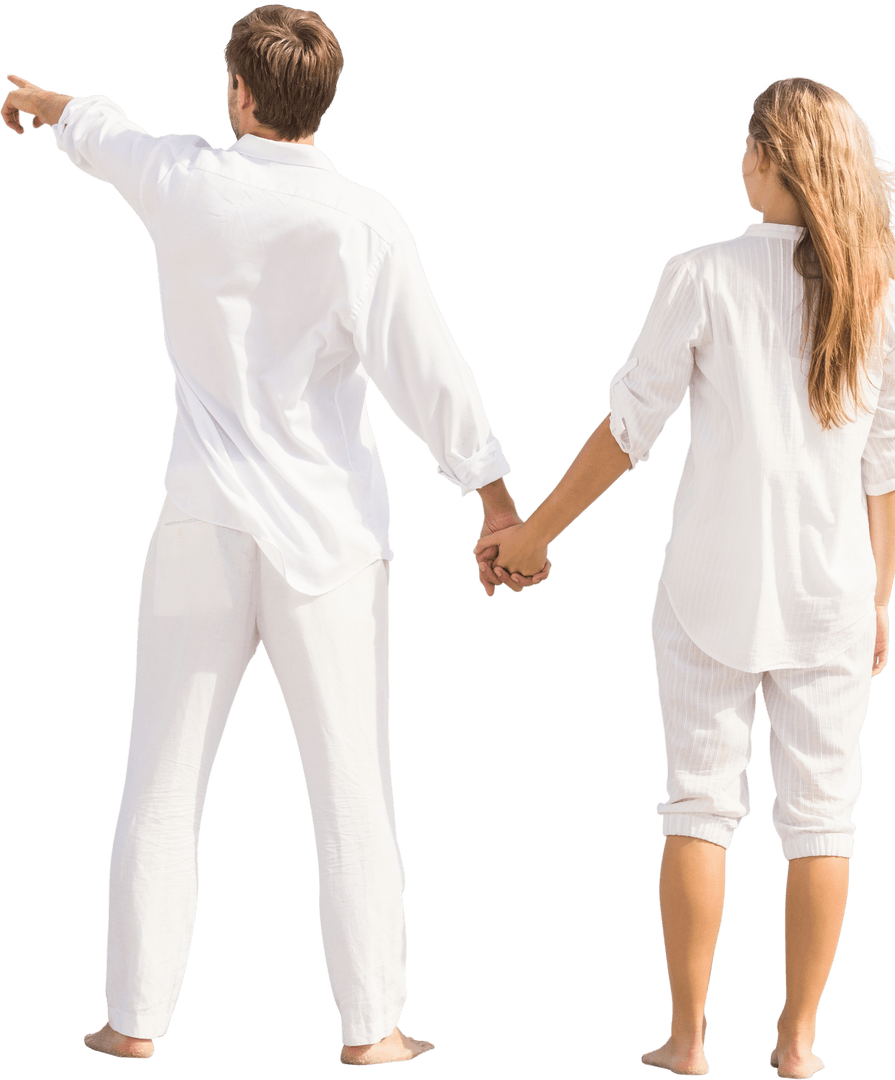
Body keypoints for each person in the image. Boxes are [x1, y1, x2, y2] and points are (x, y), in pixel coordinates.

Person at [2, 1, 545, 1066]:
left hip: (199, 525)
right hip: (329, 543)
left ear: (240, 93)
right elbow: (427, 373)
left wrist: (30, 99)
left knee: (158, 779)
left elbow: (97, 127)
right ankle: (372, 1031)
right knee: (352, 789)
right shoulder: (362, 222)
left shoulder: (184, 180)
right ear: (322, 101)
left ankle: (129, 1023)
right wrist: (493, 501)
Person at [475, 75, 895, 1079]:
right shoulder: (883, 298)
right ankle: (798, 1046)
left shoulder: (702, 274)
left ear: (773, 159)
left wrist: (535, 533)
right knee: (823, 818)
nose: (738, 164)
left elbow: (628, 431)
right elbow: (890, 471)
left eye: (746, 148)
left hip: (706, 590)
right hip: (833, 598)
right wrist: (882, 598)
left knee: (698, 807)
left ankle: (686, 1042)